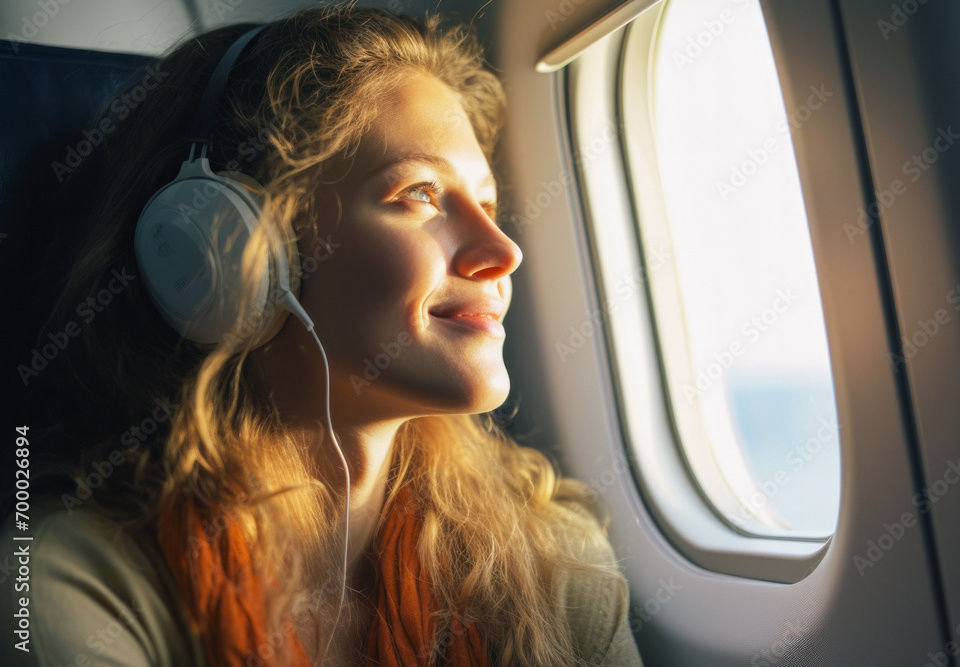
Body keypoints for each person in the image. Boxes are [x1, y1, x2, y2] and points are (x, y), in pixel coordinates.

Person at [1, 5, 643, 666]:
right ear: (233, 247)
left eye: (487, 203)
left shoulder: (555, 562)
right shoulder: (70, 591)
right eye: (419, 194)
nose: (502, 250)